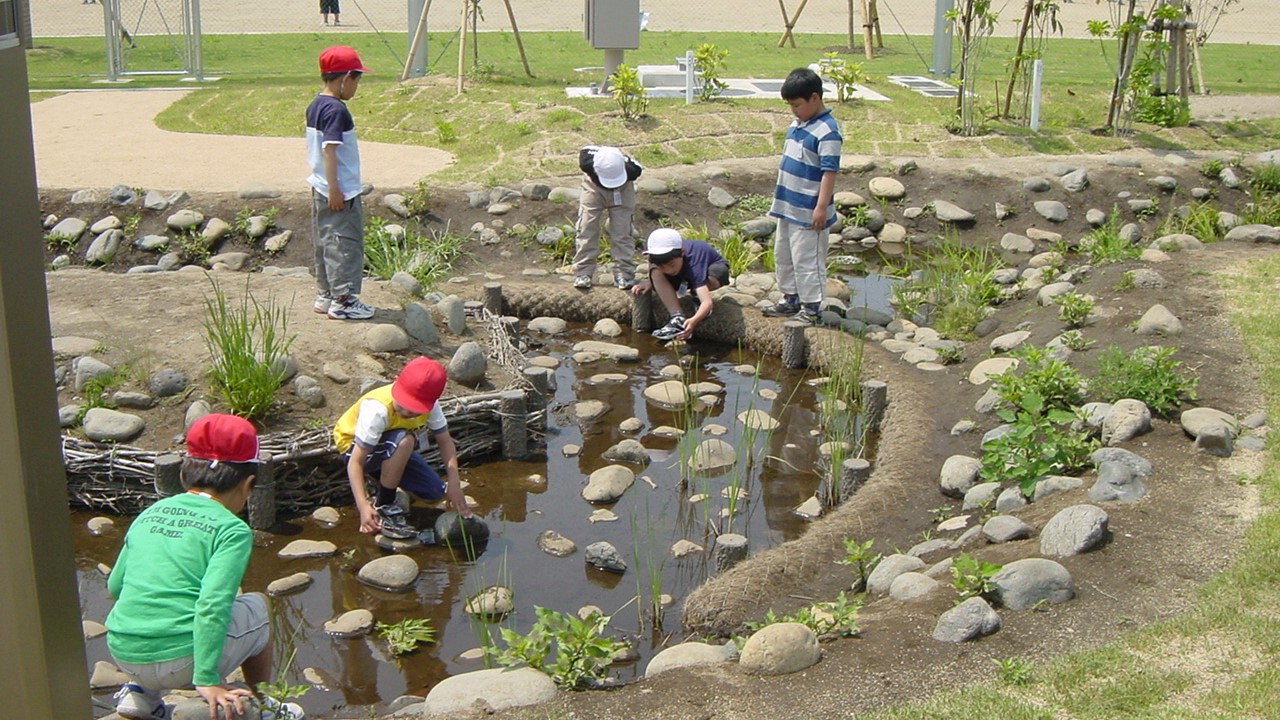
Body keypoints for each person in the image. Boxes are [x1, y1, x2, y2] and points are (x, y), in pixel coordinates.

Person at [106, 414, 304, 720]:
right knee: (257, 606)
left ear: (185, 476)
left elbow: (115, 587)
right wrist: (207, 679)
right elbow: (212, 604)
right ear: (248, 485)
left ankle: (141, 695)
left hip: (124, 654)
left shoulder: (150, 513)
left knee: (154, 598)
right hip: (183, 662)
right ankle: (265, 706)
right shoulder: (231, 529)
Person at [334, 357, 472, 540]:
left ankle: (383, 481)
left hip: (391, 447)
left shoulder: (431, 406)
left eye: (417, 409)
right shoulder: (377, 409)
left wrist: (454, 483)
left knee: (434, 493)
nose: (409, 413)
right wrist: (362, 505)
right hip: (354, 448)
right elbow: (355, 462)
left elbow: (445, 442)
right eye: (405, 405)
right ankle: (385, 503)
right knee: (405, 441)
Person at [765, 67, 843, 325]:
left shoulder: (828, 131)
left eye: (797, 105)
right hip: (787, 206)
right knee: (784, 254)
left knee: (807, 260)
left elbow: (829, 172)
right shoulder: (797, 124)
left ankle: (812, 308)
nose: (793, 110)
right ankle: (790, 298)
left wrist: (821, 207)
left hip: (809, 211)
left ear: (814, 98)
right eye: (790, 106)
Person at [306, 46, 373, 321]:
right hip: (338, 190)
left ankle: (326, 293)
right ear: (345, 78)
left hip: (320, 185)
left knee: (325, 240)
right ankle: (344, 299)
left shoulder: (316, 104)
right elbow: (329, 150)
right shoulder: (336, 110)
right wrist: (337, 189)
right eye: (356, 80)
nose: (356, 87)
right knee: (344, 242)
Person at [631, 228, 730, 343]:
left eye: (671, 265)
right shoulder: (658, 258)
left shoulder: (695, 262)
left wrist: (694, 320)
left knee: (714, 275)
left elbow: (707, 302)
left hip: (710, 271)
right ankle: (677, 317)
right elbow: (662, 270)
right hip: (683, 276)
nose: (668, 270)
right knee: (655, 271)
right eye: (663, 267)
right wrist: (652, 283)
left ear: (682, 253)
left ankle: (696, 293)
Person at [571, 145, 643, 290]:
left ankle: (624, 274)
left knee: (622, 231)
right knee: (586, 226)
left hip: (623, 191)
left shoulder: (633, 170)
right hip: (593, 188)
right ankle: (583, 273)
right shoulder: (586, 161)